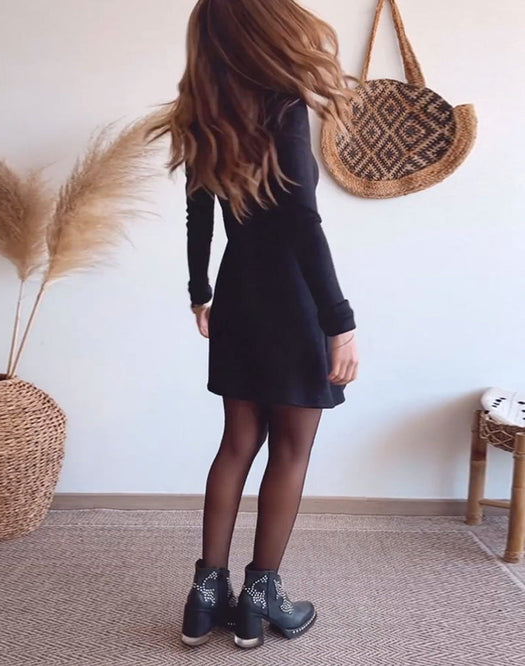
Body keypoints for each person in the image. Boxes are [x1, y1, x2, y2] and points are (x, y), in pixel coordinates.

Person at [145, 0, 359, 650]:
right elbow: (300, 220)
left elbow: (198, 212)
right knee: (290, 448)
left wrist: (200, 291)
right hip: (292, 297)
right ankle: (260, 599)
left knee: (237, 441)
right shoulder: (282, 103)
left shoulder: (204, 112)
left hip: (237, 292)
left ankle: (205, 595)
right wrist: (340, 320)